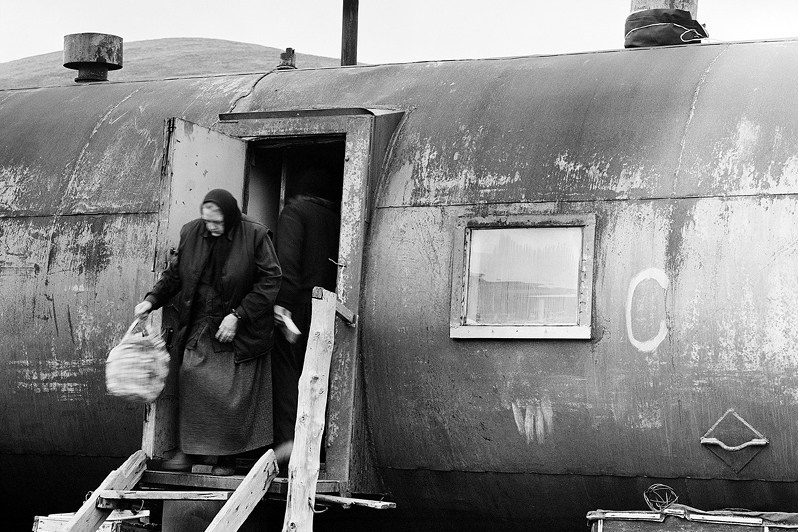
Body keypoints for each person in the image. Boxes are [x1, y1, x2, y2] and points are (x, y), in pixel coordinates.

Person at [134, 189, 281, 476]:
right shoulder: (191, 233)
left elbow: (271, 280)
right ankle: (193, 451)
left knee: (228, 392)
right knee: (192, 377)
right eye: (207, 221)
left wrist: (239, 315)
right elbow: (175, 275)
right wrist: (151, 301)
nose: (211, 227)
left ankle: (226, 458)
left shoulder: (255, 234)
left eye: (217, 222)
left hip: (241, 326)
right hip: (202, 320)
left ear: (230, 216)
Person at [271, 166, 341, 462]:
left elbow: (285, 261)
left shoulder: (294, 213)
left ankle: (289, 443)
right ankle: (317, 445)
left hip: (298, 306)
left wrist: (281, 304)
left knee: (289, 374)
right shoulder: (335, 217)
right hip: (328, 308)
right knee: (319, 376)